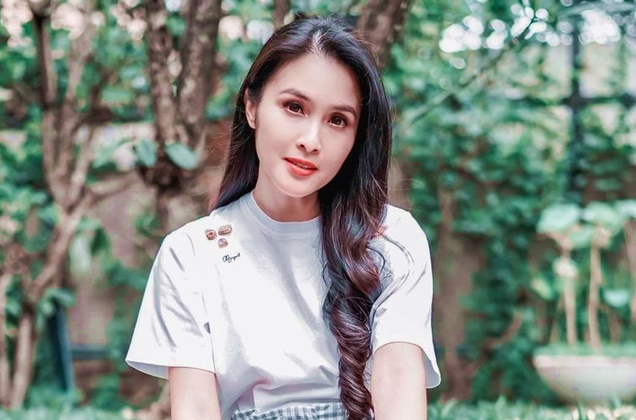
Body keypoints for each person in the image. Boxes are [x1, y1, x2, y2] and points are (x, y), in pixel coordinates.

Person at [126, 16, 441, 420]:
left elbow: (399, 387)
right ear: (252, 107)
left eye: (338, 120)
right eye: (294, 107)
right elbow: (196, 408)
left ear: (356, 137)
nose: (311, 141)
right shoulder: (190, 254)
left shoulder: (393, 239)